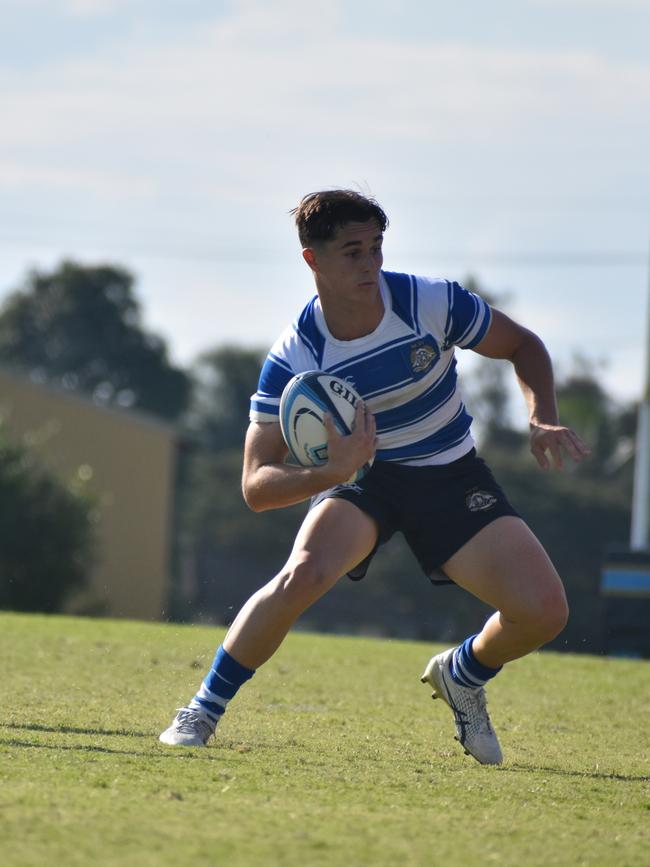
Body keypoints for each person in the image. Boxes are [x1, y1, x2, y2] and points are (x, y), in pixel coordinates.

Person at [160, 189, 590, 764]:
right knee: (304, 574)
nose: (370, 264)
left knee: (545, 612)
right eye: (352, 252)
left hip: (450, 473)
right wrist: (331, 472)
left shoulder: (428, 303)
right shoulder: (296, 358)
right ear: (312, 260)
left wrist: (542, 418)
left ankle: (463, 674)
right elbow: (256, 485)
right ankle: (202, 709)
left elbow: (523, 345)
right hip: (363, 480)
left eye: (376, 248)